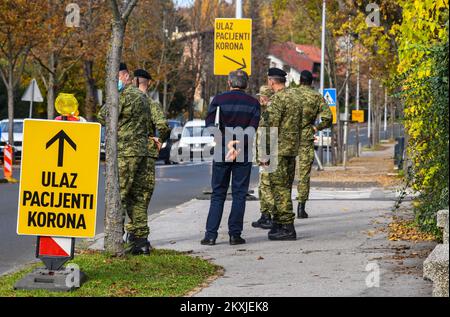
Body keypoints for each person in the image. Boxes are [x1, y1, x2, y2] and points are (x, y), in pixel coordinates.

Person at [98, 63, 152, 255]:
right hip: (142, 153)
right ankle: (141, 241)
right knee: (137, 198)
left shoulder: (122, 97)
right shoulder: (143, 97)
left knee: (118, 196)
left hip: (125, 153)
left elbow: (104, 115)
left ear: (125, 76)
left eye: (116, 78)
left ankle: (115, 238)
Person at [201, 70, 260, 246]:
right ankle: (235, 235)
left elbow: (210, 126)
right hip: (243, 153)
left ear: (229, 82)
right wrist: (238, 146)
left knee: (218, 193)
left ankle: (210, 235)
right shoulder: (254, 103)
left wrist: (226, 143)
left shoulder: (218, 100)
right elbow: (252, 128)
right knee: (239, 194)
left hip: (221, 151)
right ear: (246, 84)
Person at [263, 68, 303, 241]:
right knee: (284, 187)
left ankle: (288, 227)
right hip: (292, 149)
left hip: (277, 150)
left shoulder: (277, 100)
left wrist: (265, 154)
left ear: (271, 81)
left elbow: (270, 127)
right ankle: (279, 223)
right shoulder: (296, 97)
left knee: (279, 189)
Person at [295, 71, 333, 219]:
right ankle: (301, 207)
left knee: (285, 172)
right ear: (311, 82)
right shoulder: (316, 97)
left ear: (299, 81)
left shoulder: (289, 94)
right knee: (303, 175)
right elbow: (328, 117)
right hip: (305, 137)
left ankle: (282, 207)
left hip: (288, 138)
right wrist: (317, 127)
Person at [252, 86, 275, 230]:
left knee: (267, 187)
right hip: (263, 153)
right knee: (262, 186)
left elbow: (270, 135)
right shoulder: (264, 110)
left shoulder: (271, 111)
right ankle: (264, 215)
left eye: (262, 96)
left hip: (268, 154)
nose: (260, 98)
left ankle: (273, 217)